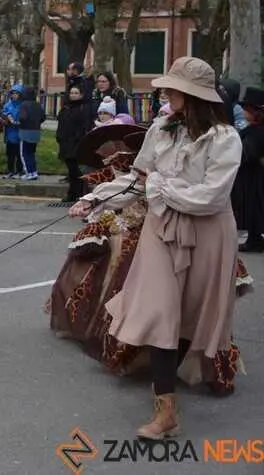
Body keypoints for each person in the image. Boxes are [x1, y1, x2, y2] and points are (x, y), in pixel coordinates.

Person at [68, 57, 242, 440]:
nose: (163, 92)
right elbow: (137, 179)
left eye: (171, 88)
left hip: (208, 233)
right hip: (161, 229)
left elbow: (210, 198)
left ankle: (166, 393)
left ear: (192, 95)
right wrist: (96, 200)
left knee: (188, 316)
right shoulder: (161, 128)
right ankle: (167, 410)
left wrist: (158, 185)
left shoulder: (225, 138)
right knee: (161, 310)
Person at [231, 86, 264, 253]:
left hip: (254, 176)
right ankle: (254, 238)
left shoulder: (256, 132)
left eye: (247, 109)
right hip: (250, 175)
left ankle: (255, 240)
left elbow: (248, 153)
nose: (243, 111)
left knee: (254, 207)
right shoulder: (252, 130)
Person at [57, 86, 94, 202]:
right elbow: (61, 124)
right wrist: (60, 137)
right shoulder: (66, 108)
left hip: (77, 142)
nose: (73, 95)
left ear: (81, 95)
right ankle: (72, 193)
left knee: (77, 170)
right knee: (71, 170)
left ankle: (79, 193)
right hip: (65, 142)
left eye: (76, 93)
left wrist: (78, 137)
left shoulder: (84, 108)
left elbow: (85, 125)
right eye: (72, 93)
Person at [17, 86, 44, 181]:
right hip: (36, 131)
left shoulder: (24, 105)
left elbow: (22, 117)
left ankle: (29, 172)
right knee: (32, 153)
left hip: (25, 131)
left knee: (24, 153)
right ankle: (34, 172)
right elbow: (43, 117)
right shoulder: (37, 105)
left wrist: (19, 122)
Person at [2, 85, 24, 178]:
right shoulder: (8, 104)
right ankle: (10, 170)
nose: (14, 95)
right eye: (13, 93)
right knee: (10, 154)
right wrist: (7, 117)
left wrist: (19, 121)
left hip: (20, 133)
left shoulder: (23, 105)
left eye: (16, 93)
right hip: (10, 132)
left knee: (19, 154)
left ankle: (19, 171)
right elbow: (3, 113)